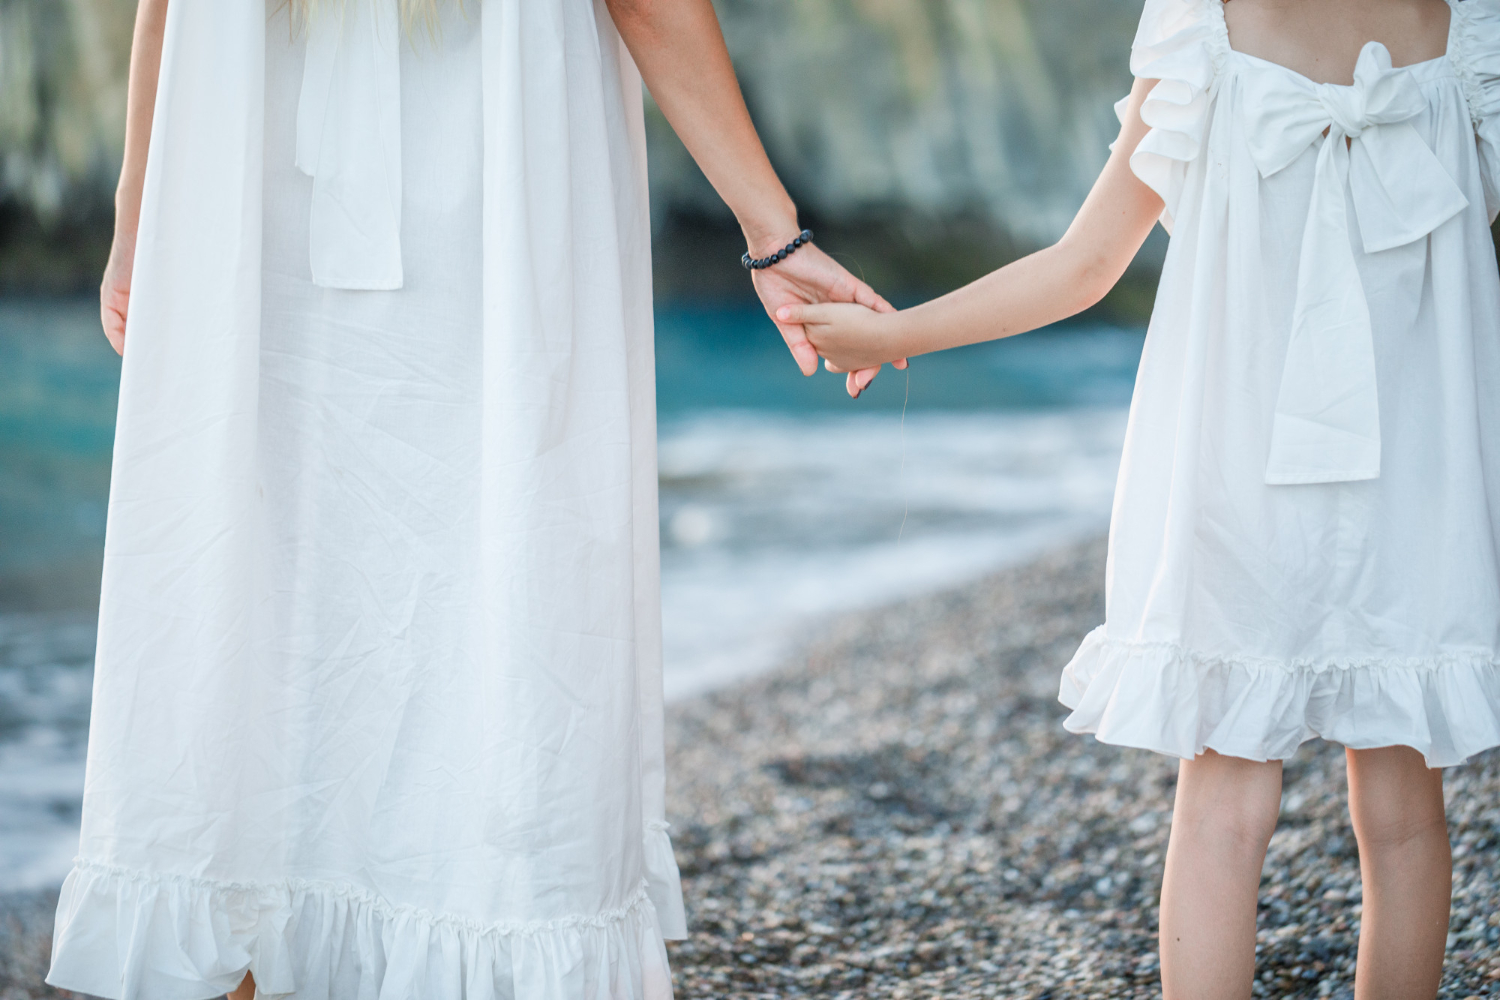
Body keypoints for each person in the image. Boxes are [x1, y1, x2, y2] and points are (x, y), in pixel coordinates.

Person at [45, 1, 895, 998]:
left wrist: (142, 202)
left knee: (252, 554)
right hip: (498, 174)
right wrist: (771, 231)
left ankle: (248, 949)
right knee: (493, 547)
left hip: (238, 154)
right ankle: (478, 932)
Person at [777, 0, 1500, 996]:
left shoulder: (1206, 27)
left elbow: (1085, 265)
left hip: (1235, 468)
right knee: (1407, 807)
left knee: (1220, 806)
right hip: (1419, 476)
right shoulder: (1465, 31)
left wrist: (897, 336)